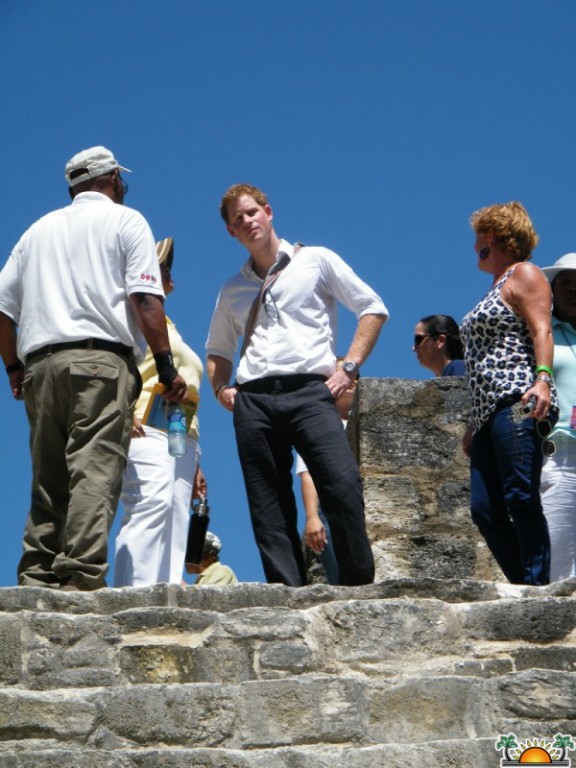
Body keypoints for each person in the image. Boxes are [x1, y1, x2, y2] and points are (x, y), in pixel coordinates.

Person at [0, 146, 188, 591]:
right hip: (100, 362)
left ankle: (37, 575)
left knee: (48, 474)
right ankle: (80, 575)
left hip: (40, 366)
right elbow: (146, 299)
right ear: (114, 181)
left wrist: (12, 367)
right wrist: (165, 367)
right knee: (95, 465)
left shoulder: (37, 231)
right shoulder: (126, 221)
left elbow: (3, 309)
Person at [206, 183, 388, 587]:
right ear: (231, 233)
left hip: (311, 390)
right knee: (266, 503)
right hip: (253, 398)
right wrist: (221, 389)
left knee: (341, 484)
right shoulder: (232, 289)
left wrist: (349, 368)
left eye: (252, 212)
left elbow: (372, 309)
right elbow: (217, 350)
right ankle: (287, 594)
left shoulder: (317, 260)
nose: (247, 221)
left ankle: (358, 585)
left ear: (269, 212)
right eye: (238, 220)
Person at [460, 201, 558, 586]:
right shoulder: (494, 287)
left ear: (497, 237)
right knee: (484, 509)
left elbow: (541, 331)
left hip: (518, 401)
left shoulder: (525, 274)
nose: (474, 247)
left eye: (480, 238)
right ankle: (524, 583)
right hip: (487, 415)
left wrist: (543, 379)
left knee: (520, 494)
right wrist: (472, 423)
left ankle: (536, 585)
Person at [114, 237, 204, 587]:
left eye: (166, 268)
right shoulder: (132, 317)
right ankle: (131, 594)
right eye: (160, 267)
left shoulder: (169, 327)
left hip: (182, 435)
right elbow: (117, 365)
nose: (167, 274)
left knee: (175, 514)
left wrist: (196, 463)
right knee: (149, 506)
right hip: (145, 425)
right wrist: (122, 413)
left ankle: (165, 596)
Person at [295, 358, 360, 585]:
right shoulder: (313, 429)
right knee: (342, 579)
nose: (351, 382)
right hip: (330, 509)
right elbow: (308, 474)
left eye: (355, 376)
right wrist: (312, 517)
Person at [539, 253, 576, 581]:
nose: (572, 289)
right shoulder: (543, 333)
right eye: (565, 282)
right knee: (560, 564)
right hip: (560, 454)